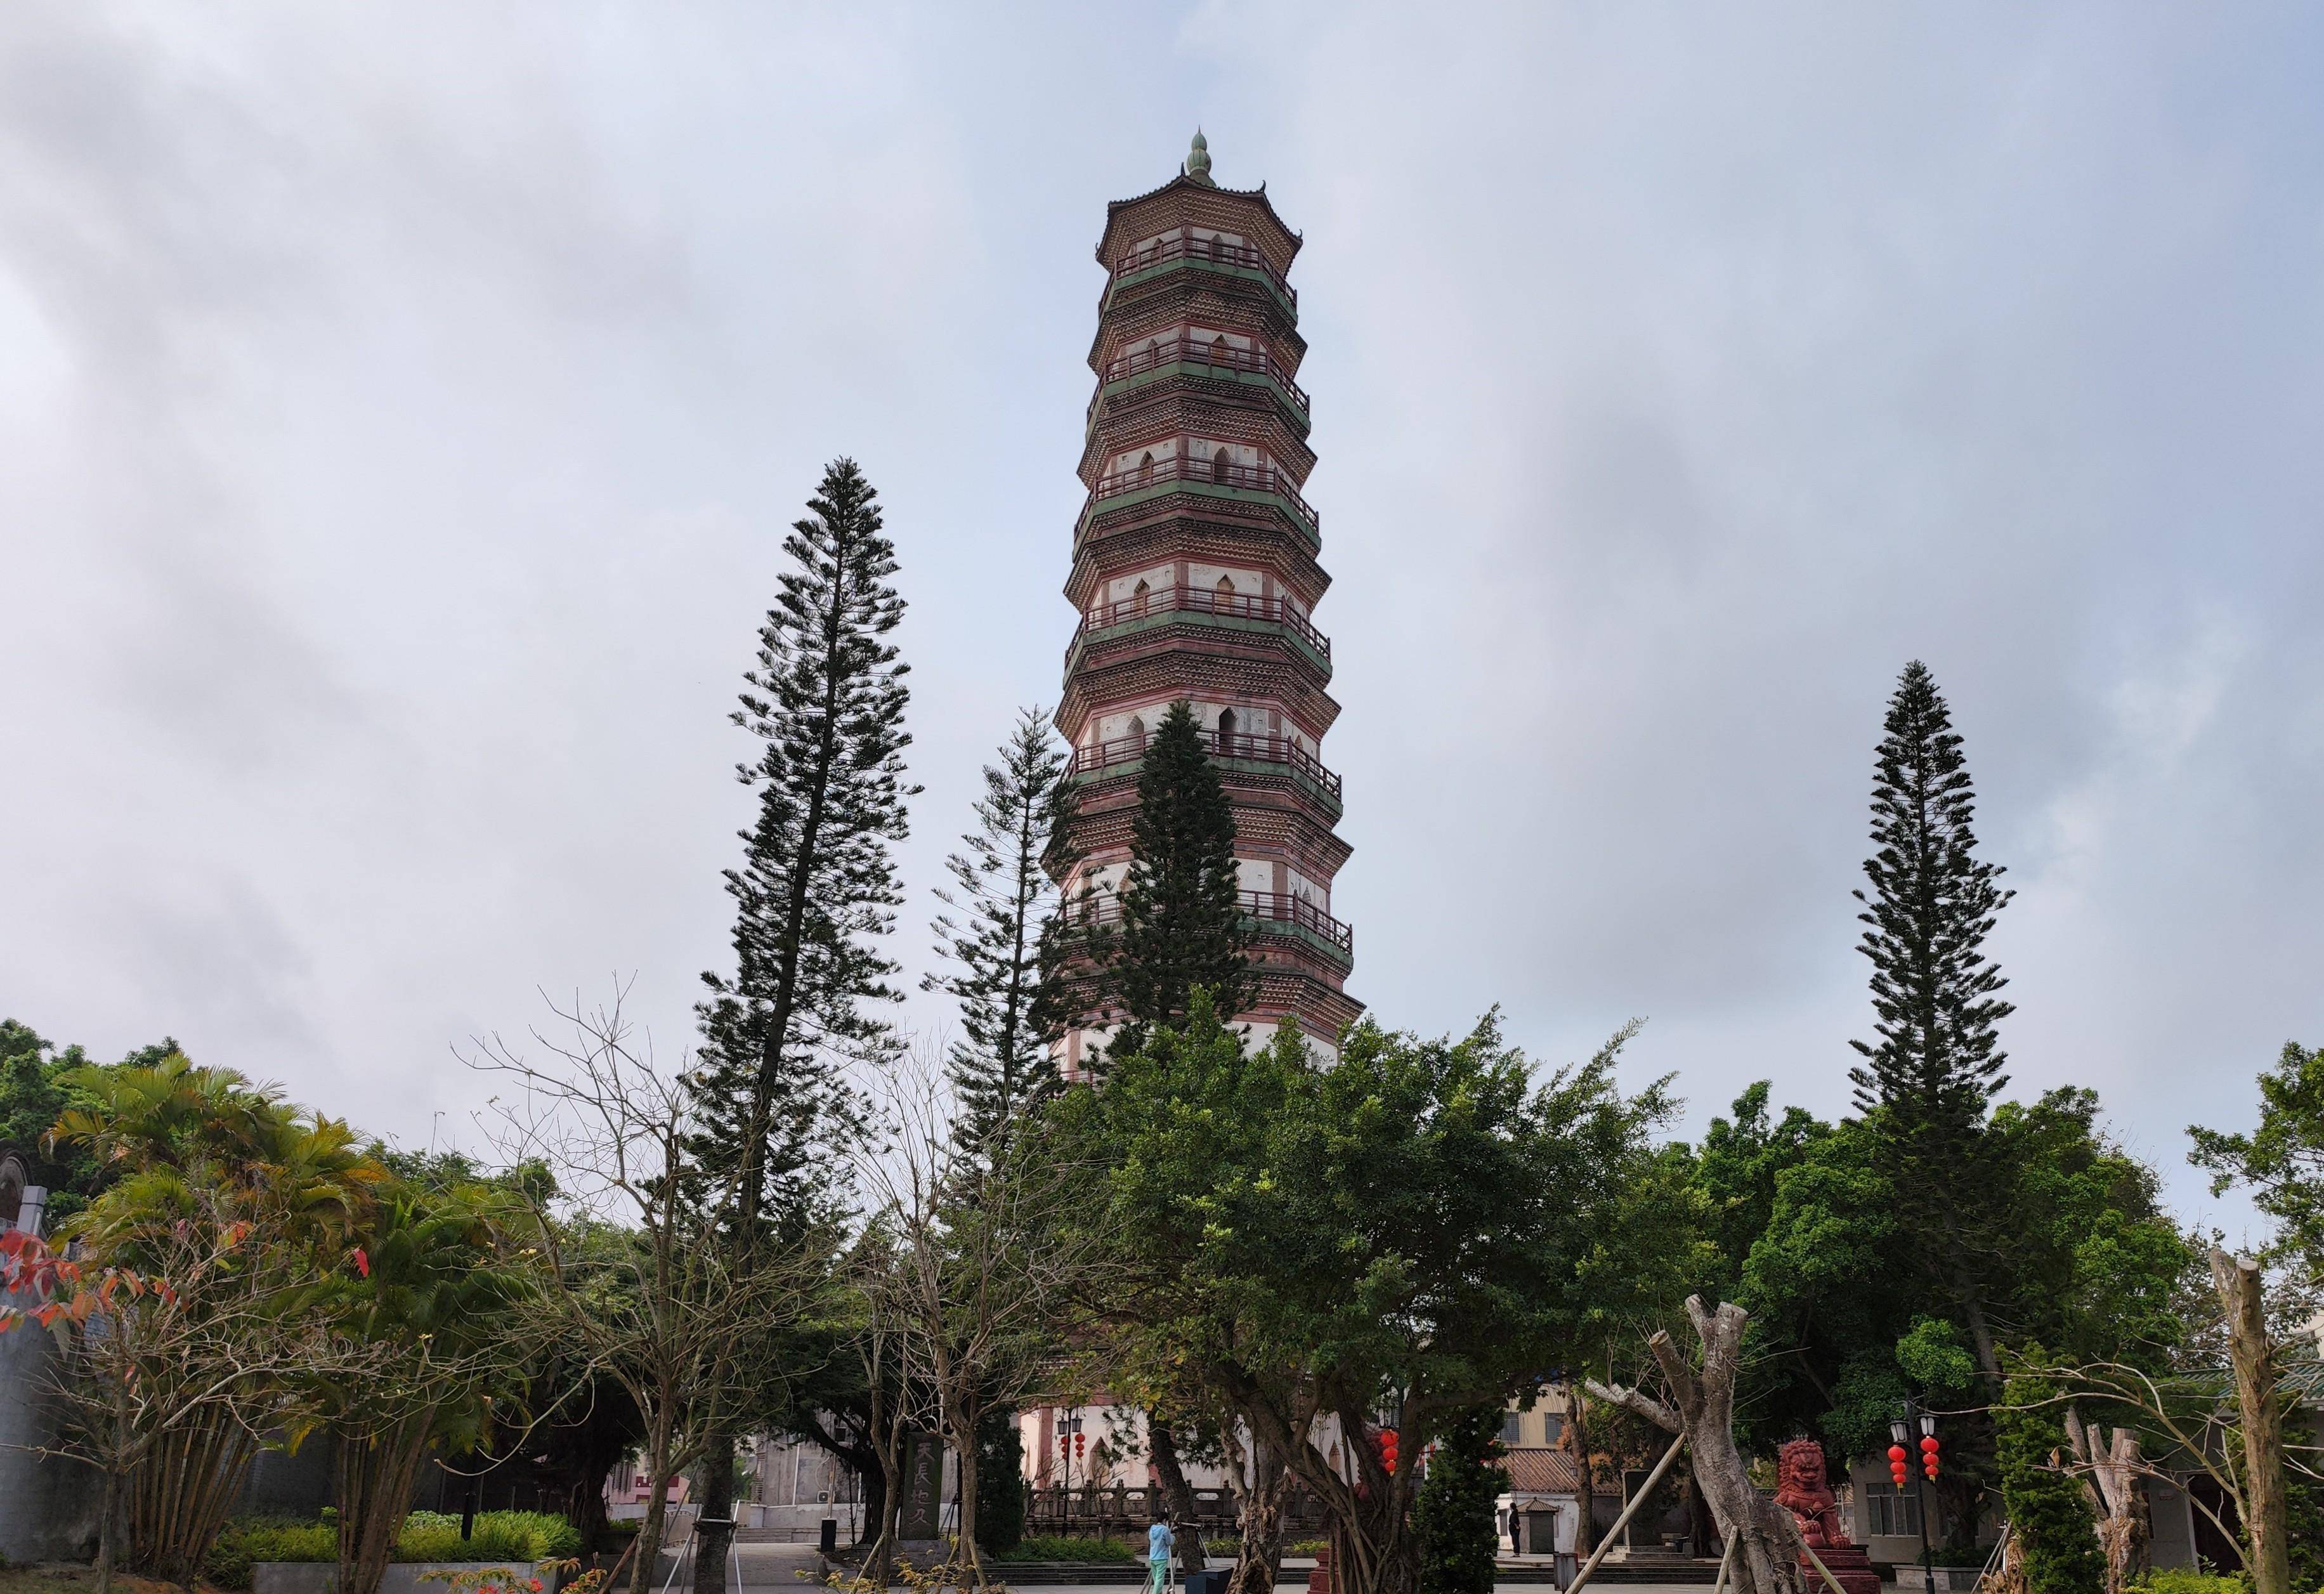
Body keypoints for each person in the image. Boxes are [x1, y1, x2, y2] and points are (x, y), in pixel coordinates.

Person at [1148, 1515, 1177, 1594]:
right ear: (1165, 1520)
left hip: (1152, 1557)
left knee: (1156, 1579)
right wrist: (1173, 1536)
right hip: (1161, 1557)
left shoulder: (1152, 1528)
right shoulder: (1165, 1529)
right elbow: (1169, 1542)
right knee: (1160, 1579)